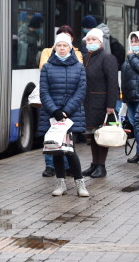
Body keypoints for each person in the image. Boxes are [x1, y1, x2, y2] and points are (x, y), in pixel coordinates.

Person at [39, 33, 89, 197]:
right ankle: (60, 184)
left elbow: (80, 91)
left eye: (64, 45)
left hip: (70, 115)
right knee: (56, 149)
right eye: (59, 45)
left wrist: (65, 111)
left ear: (70, 47)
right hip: (52, 114)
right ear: (55, 47)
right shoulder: (47, 67)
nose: (61, 48)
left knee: (70, 149)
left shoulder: (79, 66)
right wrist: (55, 111)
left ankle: (80, 183)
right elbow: (44, 92)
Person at [81, 27, 120, 178]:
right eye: (88, 40)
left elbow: (112, 83)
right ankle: (94, 164)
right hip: (88, 103)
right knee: (92, 136)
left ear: (100, 42)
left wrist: (111, 105)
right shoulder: (86, 57)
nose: (90, 42)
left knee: (102, 136)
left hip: (102, 104)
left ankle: (101, 166)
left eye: (93, 40)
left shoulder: (107, 57)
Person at [121, 31, 139, 163]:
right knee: (136, 126)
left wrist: (131, 57)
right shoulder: (131, 57)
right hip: (131, 97)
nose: (134, 44)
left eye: (137, 41)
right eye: (132, 41)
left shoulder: (133, 57)